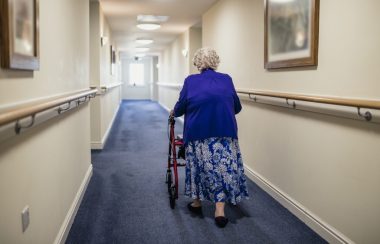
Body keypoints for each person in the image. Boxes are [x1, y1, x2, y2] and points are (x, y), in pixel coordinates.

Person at [171, 47, 249, 228]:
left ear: (198, 63)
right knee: (223, 168)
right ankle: (220, 211)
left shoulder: (191, 81)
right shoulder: (227, 79)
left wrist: (174, 111)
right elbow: (236, 107)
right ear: (216, 62)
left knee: (199, 166)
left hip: (199, 132)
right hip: (225, 131)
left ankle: (197, 203)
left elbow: (181, 107)